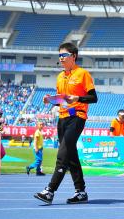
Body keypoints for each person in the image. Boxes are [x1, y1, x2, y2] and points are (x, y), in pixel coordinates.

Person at [34, 42, 97, 205]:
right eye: (59, 56)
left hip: (77, 117)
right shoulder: (60, 77)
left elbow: (94, 98)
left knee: (62, 155)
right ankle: (81, 192)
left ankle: (50, 191)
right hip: (62, 118)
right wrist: (51, 100)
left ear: (73, 56)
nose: (61, 59)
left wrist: (79, 98)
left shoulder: (83, 74)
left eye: (64, 55)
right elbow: (63, 101)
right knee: (71, 156)